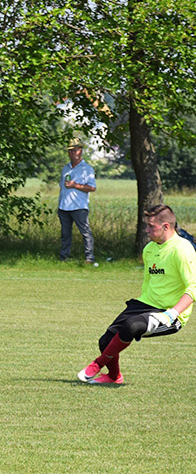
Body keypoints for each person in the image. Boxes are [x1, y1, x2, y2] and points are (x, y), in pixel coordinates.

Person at [77, 204, 196, 384]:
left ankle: (97, 364)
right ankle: (114, 377)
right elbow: (149, 283)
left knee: (132, 326)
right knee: (105, 341)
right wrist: (139, 305)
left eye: (151, 226)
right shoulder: (149, 249)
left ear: (166, 226)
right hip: (146, 304)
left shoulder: (182, 249)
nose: (147, 230)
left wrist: (172, 314)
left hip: (171, 313)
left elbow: (193, 286)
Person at [58, 138, 97, 265]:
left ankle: (89, 258)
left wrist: (75, 185)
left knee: (85, 232)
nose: (72, 153)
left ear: (80, 151)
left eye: (75, 150)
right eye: (70, 151)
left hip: (79, 206)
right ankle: (64, 257)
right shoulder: (66, 168)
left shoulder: (87, 169)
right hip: (64, 206)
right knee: (65, 234)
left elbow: (92, 188)